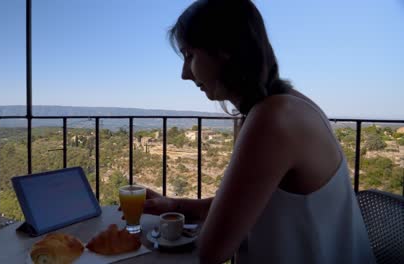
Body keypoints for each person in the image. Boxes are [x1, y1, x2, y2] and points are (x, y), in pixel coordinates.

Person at [140, 0, 376, 263]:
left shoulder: (273, 118)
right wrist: (174, 206)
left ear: (223, 50)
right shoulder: (288, 104)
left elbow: (213, 250)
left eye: (190, 56)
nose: (185, 73)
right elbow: (244, 207)